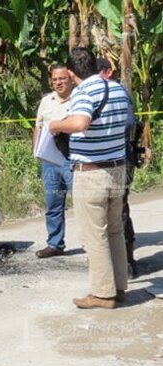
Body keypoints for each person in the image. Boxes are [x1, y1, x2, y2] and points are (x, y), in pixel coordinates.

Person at [50, 48, 130, 309]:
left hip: (91, 173)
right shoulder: (117, 88)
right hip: (117, 169)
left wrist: (57, 125)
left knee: (94, 235)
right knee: (115, 230)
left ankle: (102, 293)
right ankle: (119, 287)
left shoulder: (84, 92)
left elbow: (81, 123)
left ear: (72, 73)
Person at [97, 57, 138, 278]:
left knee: (120, 209)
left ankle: (128, 263)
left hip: (120, 158)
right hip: (105, 160)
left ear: (108, 72)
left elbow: (128, 124)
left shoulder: (118, 92)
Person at [32, 65, 75, 258]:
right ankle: (55, 244)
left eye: (62, 79)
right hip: (50, 160)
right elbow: (39, 127)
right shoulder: (46, 101)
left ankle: (95, 246)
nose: (58, 82)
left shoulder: (80, 99)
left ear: (71, 79)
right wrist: (36, 151)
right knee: (53, 204)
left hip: (73, 159)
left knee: (84, 203)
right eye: (55, 79)